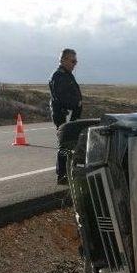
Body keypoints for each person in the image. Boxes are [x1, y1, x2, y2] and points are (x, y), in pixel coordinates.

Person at [49, 48, 82, 185]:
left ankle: (66, 173)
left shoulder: (67, 74)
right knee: (65, 144)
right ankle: (62, 175)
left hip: (69, 114)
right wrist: (76, 103)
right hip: (64, 114)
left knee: (69, 144)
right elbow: (61, 97)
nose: (75, 64)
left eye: (76, 61)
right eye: (73, 60)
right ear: (63, 60)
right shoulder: (59, 76)